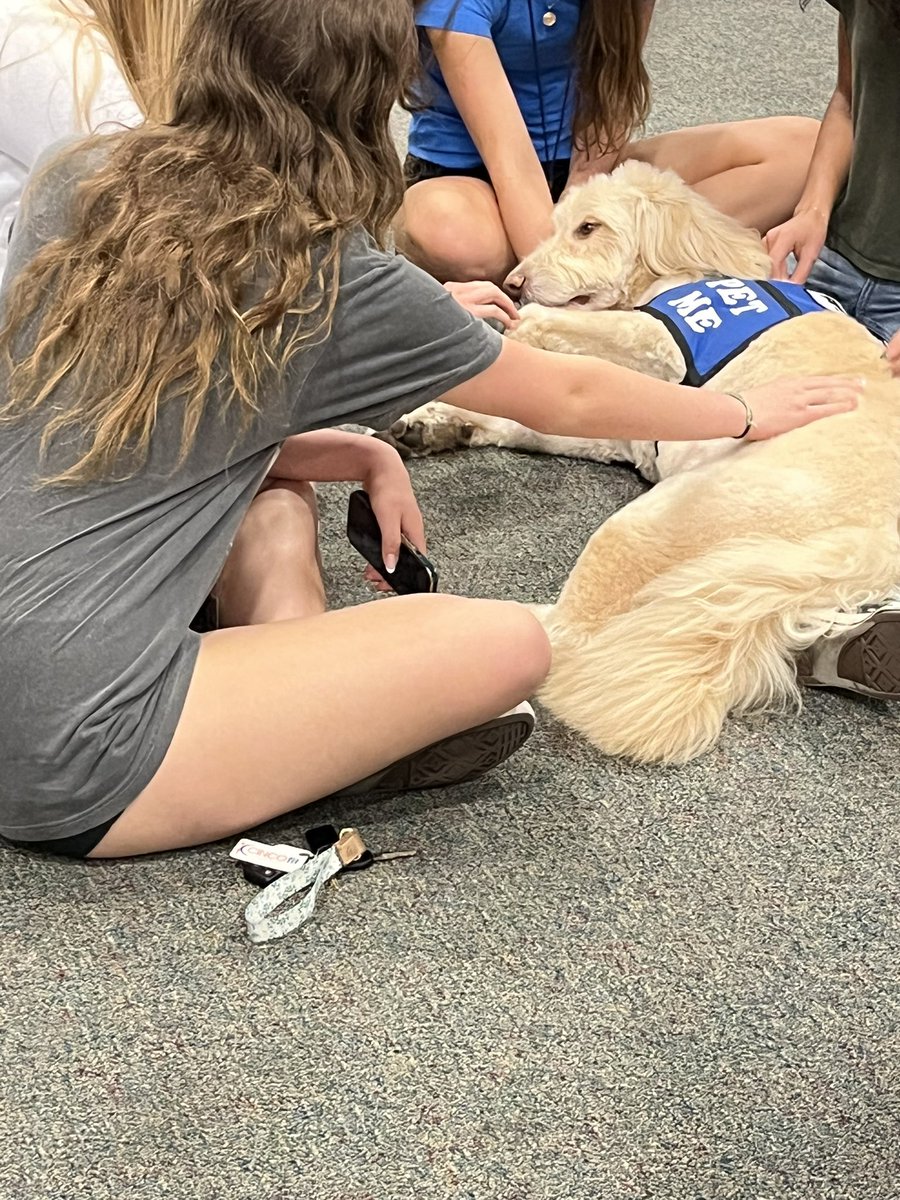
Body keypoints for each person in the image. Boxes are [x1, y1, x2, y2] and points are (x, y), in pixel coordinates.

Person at [0, 0, 860, 862]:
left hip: (33, 669)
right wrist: (745, 412)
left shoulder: (84, 177)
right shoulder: (328, 270)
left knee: (275, 501)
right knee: (508, 647)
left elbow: (129, 410)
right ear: (375, 97)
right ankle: (319, 741)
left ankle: (292, 709)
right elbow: (563, 394)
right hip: (72, 758)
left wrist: (361, 448)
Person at [395, 0, 819, 285]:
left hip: (590, 168)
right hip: (472, 174)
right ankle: (648, 257)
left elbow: (611, 102)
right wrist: (568, 255)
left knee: (806, 148)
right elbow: (510, 161)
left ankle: (622, 258)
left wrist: (585, 210)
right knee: (458, 236)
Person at [765, 0, 900, 700]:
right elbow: (849, 97)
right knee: (754, 410)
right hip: (837, 257)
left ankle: (843, 623)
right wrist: (811, 209)